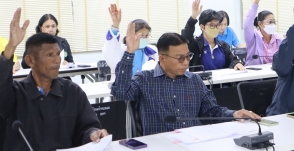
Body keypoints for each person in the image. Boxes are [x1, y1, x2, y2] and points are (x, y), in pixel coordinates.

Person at [0, 8, 108, 151]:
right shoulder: (17, 93)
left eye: (58, 54)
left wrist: (93, 133)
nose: (57, 60)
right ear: (30, 61)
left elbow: (87, 127)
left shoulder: (72, 92)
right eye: (50, 55)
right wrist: (11, 46)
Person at [111, 27, 259, 135]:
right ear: (162, 59)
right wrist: (129, 53)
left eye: (188, 56)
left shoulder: (194, 80)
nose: (186, 62)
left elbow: (211, 110)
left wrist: (234, 114)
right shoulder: (145, 79)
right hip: (162, 147)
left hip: (195, 141)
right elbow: (120, 93)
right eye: (180, 58)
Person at [181, 0, 245, 71]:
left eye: (217, 25)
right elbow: (186, 37)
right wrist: (193, 17)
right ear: (202, 27)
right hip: (201, 78)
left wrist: (236, 63)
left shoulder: (223, 46)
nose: (215, 28)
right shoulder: (196, 45)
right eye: (212, 25)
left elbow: (232, 59)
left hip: (222, 78)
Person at [103, 4, 158, 74]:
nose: (145, 38)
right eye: (142, 35)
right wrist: (115, 25)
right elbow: (111, 50)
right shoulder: (120, 50)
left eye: (147, 35)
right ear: (131, 35)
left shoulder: (152, 51)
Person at [243, 0, 283, 65]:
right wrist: (255, 2)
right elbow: (247, 25)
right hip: (255, 71)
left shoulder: (279, 39)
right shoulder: (253, 37)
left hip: (274, 71)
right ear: (260, 24)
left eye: (274, 22)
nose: (273, 25)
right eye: (270, 22)